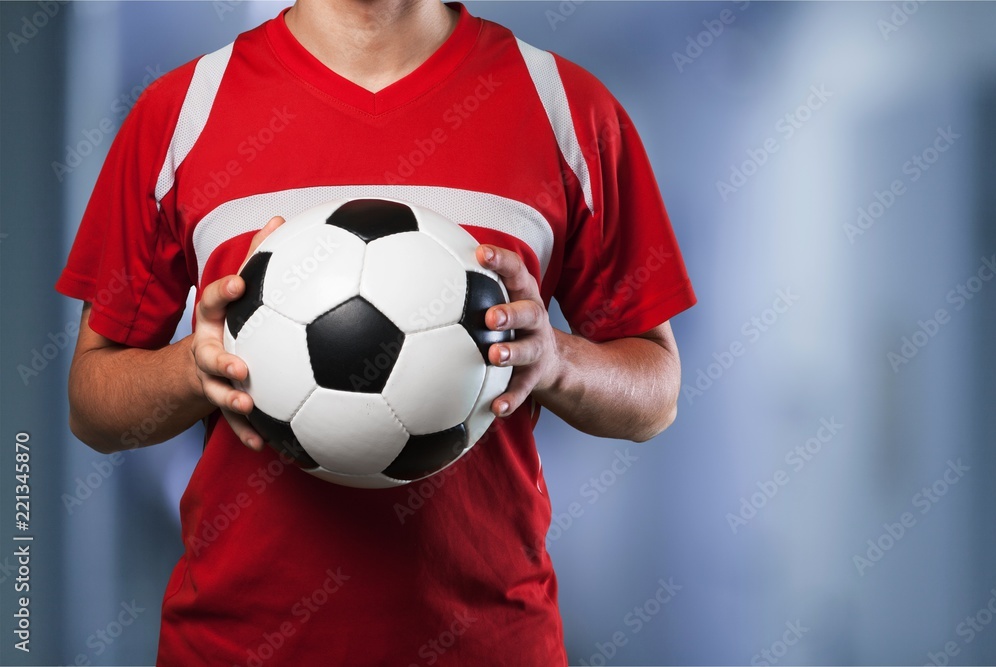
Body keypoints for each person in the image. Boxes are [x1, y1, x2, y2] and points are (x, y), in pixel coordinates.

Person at [57, 0, 696, 663]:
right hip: (235, 645)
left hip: (489, 643)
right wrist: (194, 368)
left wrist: (558, 359)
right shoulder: (182, 111)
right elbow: (93, 406)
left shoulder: (568, 109)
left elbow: (657, 393)